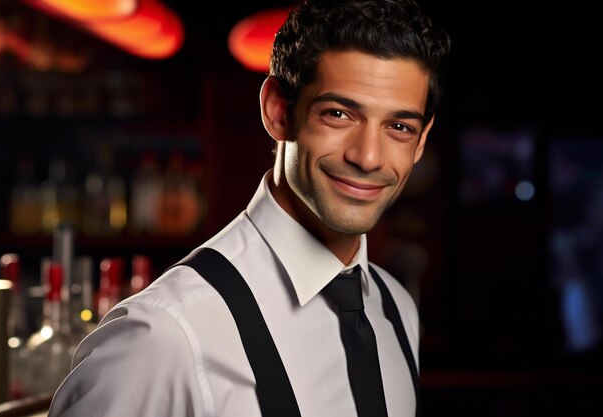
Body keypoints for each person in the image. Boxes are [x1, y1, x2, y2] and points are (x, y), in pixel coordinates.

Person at [48, 0, 450, 416]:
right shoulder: (165, 336)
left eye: (399, 127)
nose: (368, 157)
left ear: (421, 142)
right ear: (278, 111)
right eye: (339, 114)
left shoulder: (397, 308)